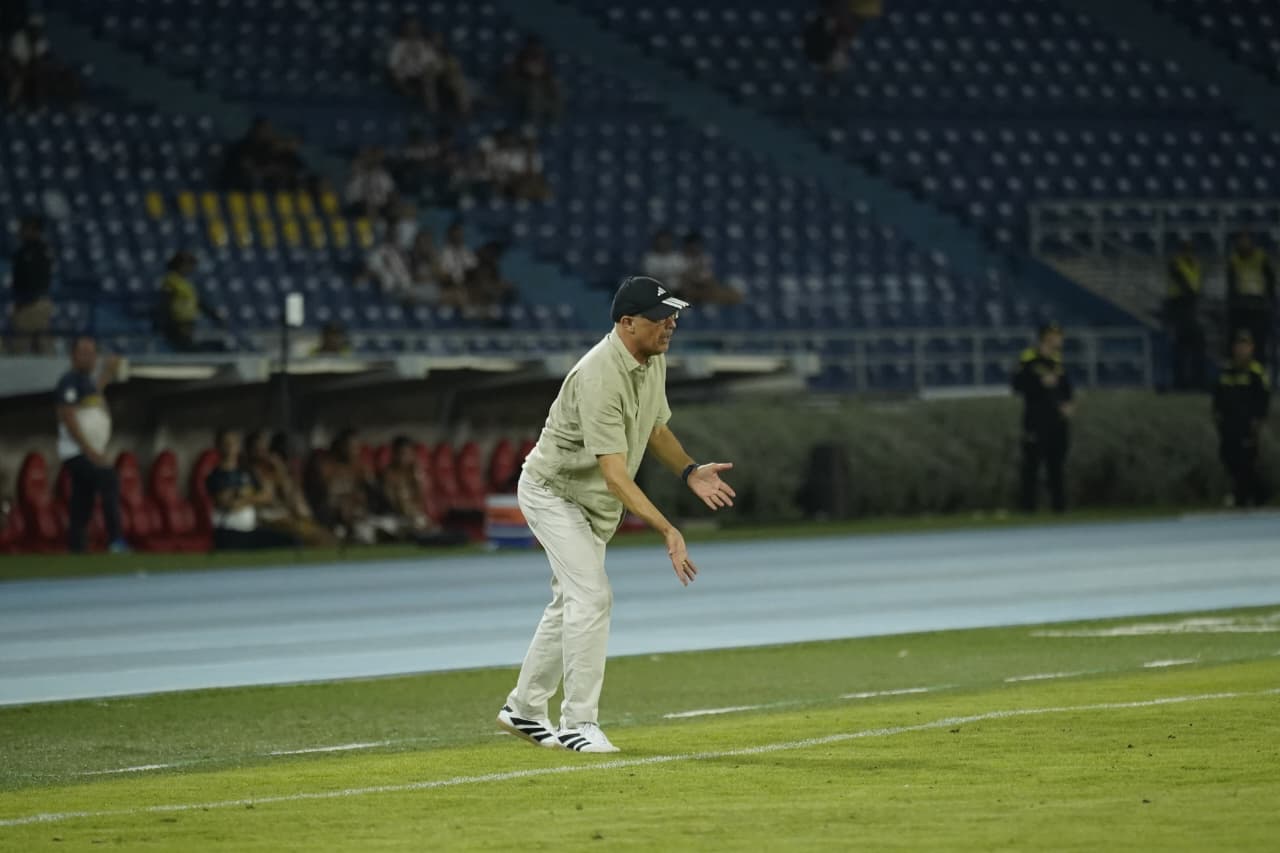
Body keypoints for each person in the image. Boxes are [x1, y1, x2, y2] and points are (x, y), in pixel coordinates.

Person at [496, 275, 736, 753]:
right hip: (553, 493)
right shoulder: (599, 376)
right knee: (593, 598)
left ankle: (523, 709)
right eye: (660, 316)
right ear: (627, 323)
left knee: (571, 602)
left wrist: (689, 470)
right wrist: (668, 528)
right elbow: (615, 476)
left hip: (590, 502)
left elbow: (655, 428)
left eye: (673, 315)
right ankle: (577, 723)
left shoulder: (651, 360)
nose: (671, 323)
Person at [55, 337, 127, 553]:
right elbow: (68, 417)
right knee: (108, 479)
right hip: (77, 452)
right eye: (83, 353)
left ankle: (77, 546)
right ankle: (115, 539)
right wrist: (90, 451)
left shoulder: (86, 382)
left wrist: (107, 373)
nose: (89, 358)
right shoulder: (69, 380)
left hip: (88, 451)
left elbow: (95, 394)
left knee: (82, 498)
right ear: (73, 356)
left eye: (92, 353)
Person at [1012, 322, 1074, 513]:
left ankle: (1059, 506)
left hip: (1058, 420)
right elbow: (1017, 386)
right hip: (1036, 419)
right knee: (1032, 463)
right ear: (1046, 337)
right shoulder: (1028, 358)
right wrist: (1040, 383)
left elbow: (1066, 387)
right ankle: (1028, 507)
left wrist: (1068, 404)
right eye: (1056, 336)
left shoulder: (1057, 361)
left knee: (1057, 463)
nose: (1059, 340)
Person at [205, 428, 300, 551]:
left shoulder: (246, 472)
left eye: (233, 443)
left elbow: (267, 495)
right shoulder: (216, 475)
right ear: (218, 446)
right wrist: (253, 496)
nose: (230, 448)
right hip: (228, 531)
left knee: (291, 541)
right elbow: (229, 504)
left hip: (250, 529)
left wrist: (243, 497)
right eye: (226, 443)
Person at [244, 429, 336, 546]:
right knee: (315, 537)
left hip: (284, 515)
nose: (261, 452)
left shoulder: (273, 470)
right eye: (257, 448)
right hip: (267, 518)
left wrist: (280, 470)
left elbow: (288, 495)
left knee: (322, 533)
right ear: (250, 450)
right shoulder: (247, 472)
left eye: (263, 448)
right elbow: (265, 496)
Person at [1213, 330, 1271, 508]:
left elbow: (1263, 399)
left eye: (1245, 345)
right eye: (1239, 345)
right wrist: (1217, 415)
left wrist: (1257, 420)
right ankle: (1255, 494)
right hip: (1228, 425)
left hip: (1247, 426)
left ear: (1251, 348)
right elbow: (1218, 395)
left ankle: (1247, 496)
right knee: (1228, 458)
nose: (1241, 349)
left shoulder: (1256, 372)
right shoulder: (1226, 371)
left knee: (1246, 461)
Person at [1226, 232, 1276, 365]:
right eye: (1241, 240)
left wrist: (1268, 300)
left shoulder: (1261, 258)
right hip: (1240, 307)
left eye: (1246, 240)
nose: (1244, 243)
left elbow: (1271, 281)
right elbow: (1231, 285)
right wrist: (1233, 303)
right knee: (1236, 341)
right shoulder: (1234, 260)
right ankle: (1234, 370)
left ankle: (1259, 371)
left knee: (1259, 342)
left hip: (1258, 306)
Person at [158, 250, 223, 351]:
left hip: (188, 323)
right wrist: (168, 323)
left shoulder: (186, 283)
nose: (191, 269)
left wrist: (213, 315)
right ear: (180, 265)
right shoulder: (171, 281)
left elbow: (198, 302)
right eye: (189, 265)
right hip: (177, 324)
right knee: (187, 348)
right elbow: (165, 303)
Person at [7, 213, 53, 354]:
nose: (22, 231)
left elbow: (38, 281)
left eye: (26, 228)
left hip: (35, 303)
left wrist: (25, 302)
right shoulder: (22, 252)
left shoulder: (42, 251)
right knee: (19, 349)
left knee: (42, 349)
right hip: (24, 305)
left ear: (35, 230)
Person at [1164, 239, 1204, 391]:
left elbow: (1195, 286)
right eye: (1186, 250)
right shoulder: (1175, 263)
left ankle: (1195, 381)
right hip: (1179, 307)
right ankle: (1180, 382)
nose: (1189, 253)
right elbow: (1185, 284)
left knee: (1192, 347)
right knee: (1181, 348)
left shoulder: (1196, 265)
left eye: (1191, 250)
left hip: (1190, 308)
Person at [500, 35, 562, 123]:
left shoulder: (549, 79)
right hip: (518, 99)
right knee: (534, 90)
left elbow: (556, 106)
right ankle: (530, 122)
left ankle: (542, 123)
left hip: (541, 108)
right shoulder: (518, 63)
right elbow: (508, 85)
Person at [677, 232, 740, 305]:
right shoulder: (678, 258)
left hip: (704, 287)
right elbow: (682, 279)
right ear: (687, 245)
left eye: (698, 244)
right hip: (685, 289)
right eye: (693, 244)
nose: (695, 247)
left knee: (734, 295)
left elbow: (708, 278)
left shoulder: (705, 258)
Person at [343, 147, 397, 219]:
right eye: (370, 159)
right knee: (368, 206)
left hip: (381, 207)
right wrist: (366, 202)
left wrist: (391, 203)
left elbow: (391, 192)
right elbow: (351, 197)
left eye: (375, 160)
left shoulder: (382, 174)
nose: (373, 161)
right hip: (359, 207)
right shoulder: (357, 176)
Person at [438, 220, 477, 289]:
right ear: (450, 236)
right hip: (449, 285)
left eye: (459, 235)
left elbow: (473, 266)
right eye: (455, 235)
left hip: (467, 283)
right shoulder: (445, 252)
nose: (458, 237)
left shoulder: (466, 250)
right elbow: (444, 272)